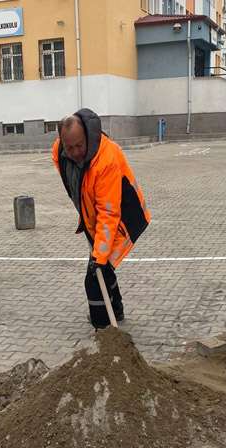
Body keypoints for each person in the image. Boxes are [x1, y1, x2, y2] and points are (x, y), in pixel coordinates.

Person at [52, 108, 151, 329]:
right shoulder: (59, 151)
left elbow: (109, 213)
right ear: (62, 141)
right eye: (70, 147)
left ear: (87, 137)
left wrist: (99, 256)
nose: (75, 152)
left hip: (124, 219)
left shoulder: (106, 160)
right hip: (95, 220)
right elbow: (75, 185)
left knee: (95, 278)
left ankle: (104, 329)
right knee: (104, 271)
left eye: (79, 145)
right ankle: (116, 310)